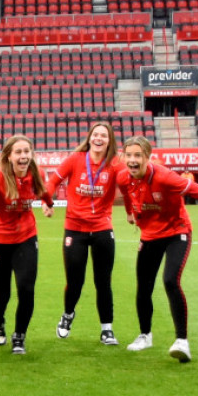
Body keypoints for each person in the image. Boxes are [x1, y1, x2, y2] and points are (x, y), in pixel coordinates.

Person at [116, 136, 198, 362]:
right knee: (144, 286)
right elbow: (128, 197)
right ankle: (145, 336)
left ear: (147, 157)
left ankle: (182, 341)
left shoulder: (165, 177)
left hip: (176, 232)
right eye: (128, 155)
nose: (132, 160)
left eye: (137, 155)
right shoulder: (123, 177)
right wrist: (130, 213)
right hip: (149, 236)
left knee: (170, 280)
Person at [0, 135, 55, 355]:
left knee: (26, 289)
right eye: (19, 152)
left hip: (26, 238)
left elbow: (44, 192)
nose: (23, 156)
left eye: (27, 151)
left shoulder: (37, 174)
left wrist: (49, 205)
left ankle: (19, 337)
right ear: (9, 156)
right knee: (1, 295)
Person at [45, 122, 121, 345]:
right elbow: (52, 181)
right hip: (75, 228)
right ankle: (68, 314)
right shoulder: (76, 159)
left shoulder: (115, 164)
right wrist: (47, 200)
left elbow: (129, 185)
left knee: (103, 281)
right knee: (75, 282)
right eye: (95, 134)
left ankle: (107, 329)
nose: (99, 138)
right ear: (89, 138)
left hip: (102, 228)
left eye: (103, 135)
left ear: (109, 141)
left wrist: (133, 209)